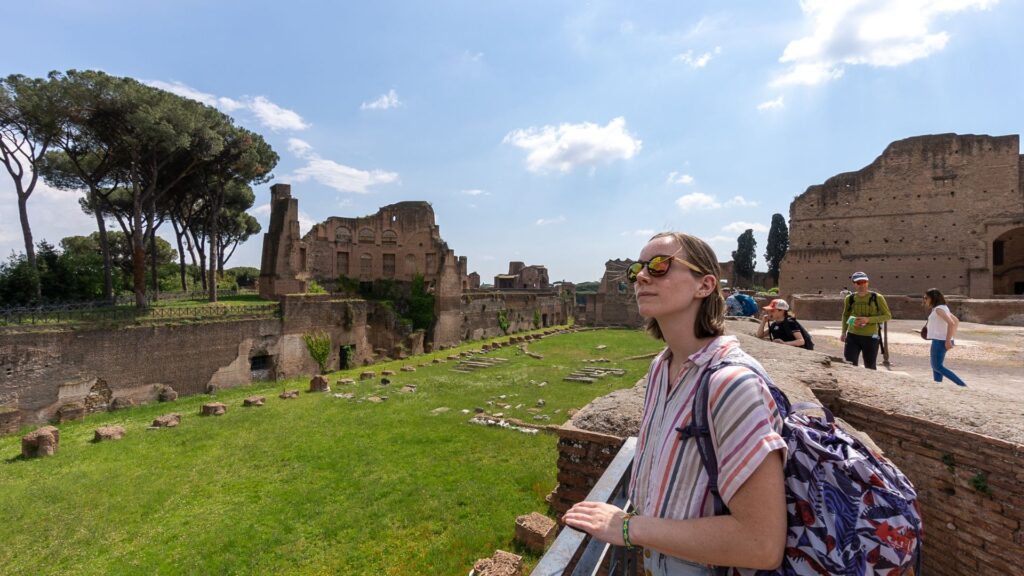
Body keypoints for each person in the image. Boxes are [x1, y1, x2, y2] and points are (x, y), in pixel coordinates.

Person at [564, 232, 787, 575]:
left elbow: (761, 544)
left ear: (705, 285)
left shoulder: (732, 385)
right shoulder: (662, 366)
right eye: (637, 269)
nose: (641, 275)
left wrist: (627, 528)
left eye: (659, 266)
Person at [840, 271, 892, 370]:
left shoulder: (877, 298)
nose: (862, 284)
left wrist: (868, 320)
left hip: (871, 337)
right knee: (849, 365)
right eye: (858, 282)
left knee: (870, 367)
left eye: (864, 281)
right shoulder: (849, 298)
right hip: (852, 336)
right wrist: (844, 331)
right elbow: (846, 315)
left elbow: (887, 316)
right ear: (854, 284)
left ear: (867, 282)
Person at [924, 288, 967, 387]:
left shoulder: (939, 309)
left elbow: (951, 323)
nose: (925, 300)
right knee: (936, 366)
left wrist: (948, 340)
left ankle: (962, 385)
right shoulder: (943, 308)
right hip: (940, 340)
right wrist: (951, 338)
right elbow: (956, 321)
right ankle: (938, 385)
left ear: (932, 298)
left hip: (940, 341)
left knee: (937, 366)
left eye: (926, 298)